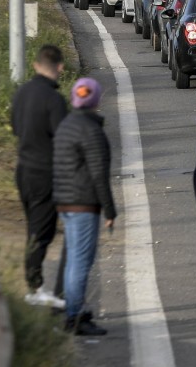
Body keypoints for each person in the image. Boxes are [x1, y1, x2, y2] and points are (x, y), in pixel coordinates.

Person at [53, 77, 116, 336]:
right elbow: (99, 173)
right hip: (83, 203)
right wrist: (109, 209)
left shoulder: (65, 125)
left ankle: (72, 310)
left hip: (65, 201)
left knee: (72, 262)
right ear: (97, 100)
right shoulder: (92, 131)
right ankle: (75, 316)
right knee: (81, 261)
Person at [10, 44, 68, 309]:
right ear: (59, 68)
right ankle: (34, 287)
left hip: (23, 170)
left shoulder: (21, 92)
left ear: (35, 65)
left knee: (33, 227)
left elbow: (14, 126)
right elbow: (63, 138)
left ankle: (34, 285)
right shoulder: (53, 100)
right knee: (40, 232)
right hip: (45, 173)